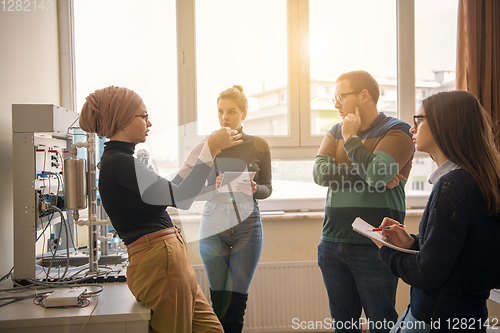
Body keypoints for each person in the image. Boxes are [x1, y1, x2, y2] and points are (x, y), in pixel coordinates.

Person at [79, 85, 243, 333]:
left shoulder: (121, 162)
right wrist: (208, 149)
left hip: (167, 259)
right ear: (122, 119)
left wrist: (202, 151)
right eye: (143, 116)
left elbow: (171, 190)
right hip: (159, 261)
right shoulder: (119, 163)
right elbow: (182, 197)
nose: (149, 122)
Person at [377, 90, 500, 332]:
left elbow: (427, 273)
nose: (412, 129)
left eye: (419, 120)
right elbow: (462, 256)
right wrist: (413, 243)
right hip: (469, 316)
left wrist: (386, 250)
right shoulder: (481, 179)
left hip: (435, 319)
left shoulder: (454, 186)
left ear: (445, 125)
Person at [313, 70, 414, 332]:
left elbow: (377, 173)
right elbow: (319, 173)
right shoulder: (335, 130)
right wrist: (370, 174)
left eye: (340, 96)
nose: (335, 104)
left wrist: (351, 139)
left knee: (382, 323)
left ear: (364, 95)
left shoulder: (398, 130)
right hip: (332, 243)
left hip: (376, 244)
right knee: (343, 326)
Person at [197, 85, 272, 333]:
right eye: (220, 111)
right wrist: (214, 186)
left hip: (247, 227)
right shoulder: (209, 144)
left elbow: (267, 188)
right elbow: (196, 191)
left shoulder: (259, 144)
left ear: (244, 114)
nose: (224, 117)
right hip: (213, 225)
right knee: (218, 306)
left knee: (235, 306)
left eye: (231, 111)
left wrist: (253, 188)